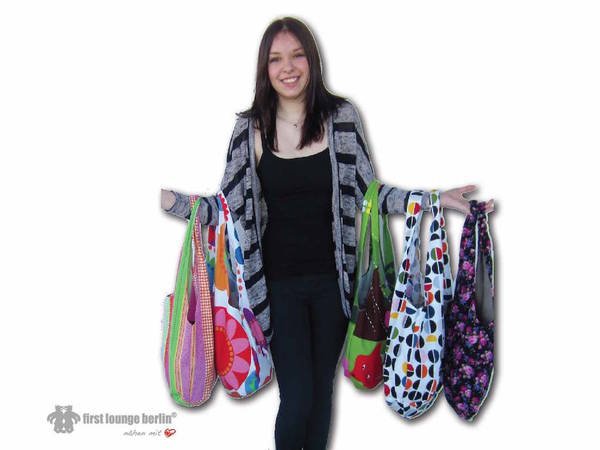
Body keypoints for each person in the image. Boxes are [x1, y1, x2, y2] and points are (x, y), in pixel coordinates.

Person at [161, 16, 493, 450]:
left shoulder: (341, 118)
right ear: (264, 68)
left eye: (297, 55)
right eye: (276, 59)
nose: (288, 67)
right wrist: (174, 203)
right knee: (297, 398)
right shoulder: (250, 129)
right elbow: (226, 207)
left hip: (335, 288)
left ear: (312, 60)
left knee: (320, 399)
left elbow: (371, 195)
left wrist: (433, 199)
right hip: (276, 288)